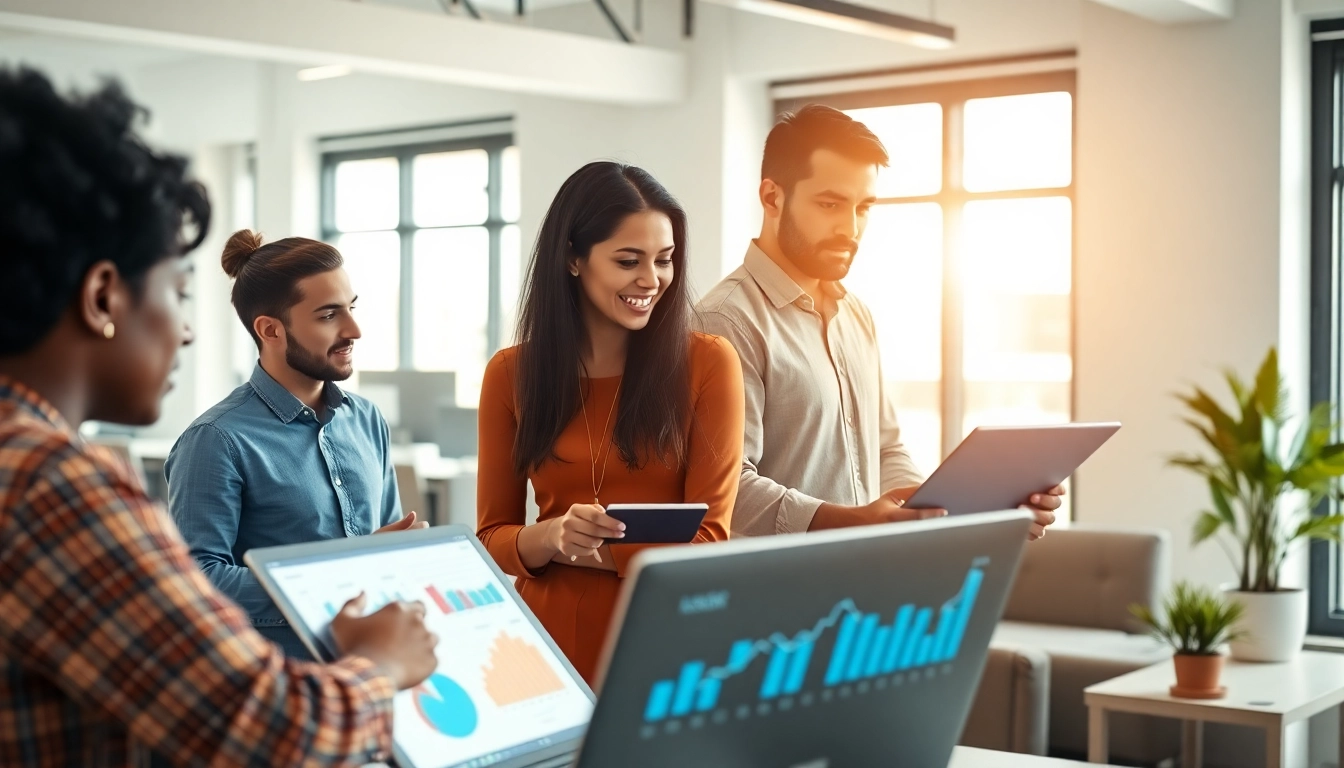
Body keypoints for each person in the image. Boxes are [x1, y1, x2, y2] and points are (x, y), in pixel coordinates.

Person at [0, 67, 436, 766]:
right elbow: (272, 733)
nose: (187, 332)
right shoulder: (50, 487)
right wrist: (380, 664)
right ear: (103, 296)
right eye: (178, 291)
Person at [696, 104, 1063, 538]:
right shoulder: (724, 321)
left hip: (864, 580)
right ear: (772, 196)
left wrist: (962, 509)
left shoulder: (856, 314)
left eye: (863, 207)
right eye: (830, 204)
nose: (850, 228)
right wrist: (849, 521)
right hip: (777, 592)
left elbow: (886, 448)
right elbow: (724, 488)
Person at [476, 161, 744, 682]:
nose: (651, 280)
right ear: (573, 259)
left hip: (667, 637)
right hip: (545, 645)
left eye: (664, 260)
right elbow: (490, 538)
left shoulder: (709, 363)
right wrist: (553, 535)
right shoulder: (510, 374)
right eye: (628, 261)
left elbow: (709, 541)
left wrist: (580, 551)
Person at [165, 231, 426, 657]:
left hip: (375, 673)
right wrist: (339, 574)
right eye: (328, 315)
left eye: (351, 308)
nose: (354, 330)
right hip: (282, 688)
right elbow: (196, 580)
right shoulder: (215, 441)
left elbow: (386, 549)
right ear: (270, 330)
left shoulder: (366, 420)